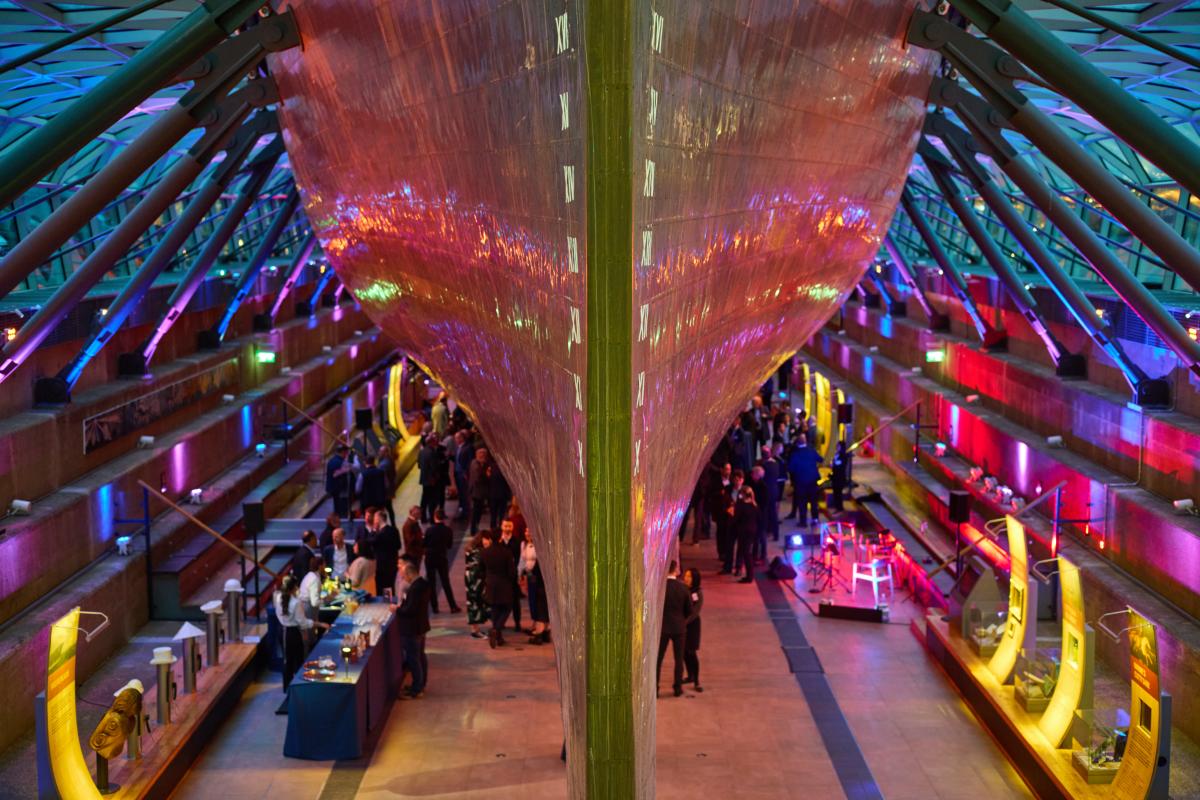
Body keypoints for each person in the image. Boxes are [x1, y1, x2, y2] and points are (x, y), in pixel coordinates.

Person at [392, 559, 430, 698]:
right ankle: (421, 683)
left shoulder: (415, 588)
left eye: (404, 575)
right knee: (420, 656)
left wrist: (397, 609)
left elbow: (410, 610)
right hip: (421, 626)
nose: (403, 578)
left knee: (413, 658)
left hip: (412, 628)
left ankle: (416, 689)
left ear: (409, 574)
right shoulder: (424, 584)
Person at [657, 560, 692, 697]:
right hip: (679, 628)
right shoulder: (683, 588)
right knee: (679, 659)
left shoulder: (660, 587)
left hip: (663, 627)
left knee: (658, 659)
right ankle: (677, 688)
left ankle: (655, 688)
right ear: (675, 570)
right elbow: (689, 609)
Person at [274, 575, 312, 694]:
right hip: (292, 633)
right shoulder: (295, 602)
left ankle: (288, 688)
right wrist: (317, 623)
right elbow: (302, 622)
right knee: (296, 659)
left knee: (288, 660)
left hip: (282, 630)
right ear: (294, 588)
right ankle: (298, 686)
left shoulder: (278, 597)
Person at [481, 528, 516, 648]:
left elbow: (481, 569)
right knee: (507, 608)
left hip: (490, 584)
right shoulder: (506, 552)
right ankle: (496, 629)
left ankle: (498, 637)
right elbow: (511, 572)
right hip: (504, 584)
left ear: (490, 539)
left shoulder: (485, 552)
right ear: (500, 537)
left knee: (495, 608)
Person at [423, 508, 460, 613]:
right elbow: (449, 545)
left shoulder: (429, 530)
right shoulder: (448, 530)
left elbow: (424, 544)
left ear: (435, 517)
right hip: (442, 557)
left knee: (431, 582)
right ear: (444, 518)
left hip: (430, 558)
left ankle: (435, 607)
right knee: (445, 581)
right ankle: (452, 606)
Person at [787, 434, 823, 528]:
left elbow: (790, 468)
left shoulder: (795, 454)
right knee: (813, 501)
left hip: (800, 482)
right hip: (812, 480)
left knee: (802, 502)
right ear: (805, 442)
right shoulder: (811, 451)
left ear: (797, 443)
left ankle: (803, 522)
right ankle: (815, 519)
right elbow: (820, 459)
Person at [520, 530, 550, 644]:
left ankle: (539, 633)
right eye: (526, 531)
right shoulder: (527, 545)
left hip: (538, 583)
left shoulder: (540, 553)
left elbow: (536, 570)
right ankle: (545, 632)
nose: (527, 534)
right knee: (542, 607)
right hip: (540, 583)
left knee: (540, 608)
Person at [709, 462, 735, 574]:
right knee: (720, 532)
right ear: (721, 470)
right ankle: (721, 552)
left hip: (729, 513)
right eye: (726, 469)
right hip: (719, 511)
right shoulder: (716, 482)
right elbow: (710, 495)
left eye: (729, 469)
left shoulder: (732, 482)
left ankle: (727, 553)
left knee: (728, 533)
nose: (728, 471)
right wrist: (720, 493)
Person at [499, 518, 524, 633]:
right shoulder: (498, 541)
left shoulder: (517, 542)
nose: (507, 528)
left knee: (515, 602)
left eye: (509, 526)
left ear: (512, 528)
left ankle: (517, 623)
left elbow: (519, 558)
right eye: (505, 526)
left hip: (512, 577)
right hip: (501, 577)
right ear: (501, 527)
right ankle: (501, 622)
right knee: (501, 601)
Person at [464, 532, 490, 638]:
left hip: (470, 577)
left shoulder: (470, 549)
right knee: (475, 602)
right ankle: (475, 630)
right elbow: (481, 566)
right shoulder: (479, 552)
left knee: (472, 602)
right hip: (475, 579)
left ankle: (475, 628)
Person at [372, 509, 402, 601]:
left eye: (375, 519)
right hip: (393, 564)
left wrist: (373, 531)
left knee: (381, 587)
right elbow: (399, 546)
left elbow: (372, 544)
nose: (374, 521)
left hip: (382, 566)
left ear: (379, 519)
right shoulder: (394, 530)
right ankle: (390, 602)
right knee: (390, 586)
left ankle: (384, 605)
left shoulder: (379, 535)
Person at [682, 568, 704, 692]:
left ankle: (696, 681)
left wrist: (684, 622)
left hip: (692, 626)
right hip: (682, 624)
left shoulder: (697, 593)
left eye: (689, 576)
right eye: (686, 575)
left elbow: (695, 612)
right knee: (684, 652)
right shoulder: (683, 589)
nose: (686, 578)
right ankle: (690, 675)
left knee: (691, 652)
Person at [733, 486, 759, 583]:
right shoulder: (754, 505)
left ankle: (749, 576)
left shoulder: (741, 505)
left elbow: (736, 518)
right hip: (752, 531)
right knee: (748, 552)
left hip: (743, 531)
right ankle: (749, 575)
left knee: (746, 553)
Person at [299, 554, 328, 642]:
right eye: (324, 565)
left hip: (306, 606)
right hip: (308, 609)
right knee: (309, 637)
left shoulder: (310, 575)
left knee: (309, 635)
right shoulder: (314, 579)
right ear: (320, 566)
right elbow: (314, 602)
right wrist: (326, 600)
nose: (325, 567)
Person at [418, 435, 445, 523]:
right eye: (434, 441)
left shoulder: (421, 452)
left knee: (424, 499)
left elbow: (419, 465)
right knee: (432, 500)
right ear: (431, 442)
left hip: (424, 479)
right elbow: (434, 467)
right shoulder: (432, 452)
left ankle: (423, 517)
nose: (436, 442)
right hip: (432, 480)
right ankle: (432, 519)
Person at [759, 444, 782, 542]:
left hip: (765, 492)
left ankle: (765, 532)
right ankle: (775, 534)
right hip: (774, 490)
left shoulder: (763, 466)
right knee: (773, 513)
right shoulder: (776, 464)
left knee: (765, 513)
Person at [325, 444, 354, 517]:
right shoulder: (340, 462)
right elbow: (335, 474)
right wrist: (346, 470)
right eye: (346, 453)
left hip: (334, 489)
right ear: (343, 452)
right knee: (341, 509)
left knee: (337, 507)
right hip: (340, 489)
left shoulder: (332, 460)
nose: (346, 455)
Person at [468, 447, 490, 533]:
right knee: (476, 511)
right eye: (481, 455)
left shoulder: (482, 464)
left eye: (484, 455)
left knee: (479, 510)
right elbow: (477, 478)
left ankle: (475, 526)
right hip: (477, 492)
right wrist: (487, 476)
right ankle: (473, 529)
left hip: (480, 492)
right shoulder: (475, 464)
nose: (483, 456)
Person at [453, 431, 474, 521]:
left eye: (457, 438)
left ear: (462, 438)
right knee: (461, 493)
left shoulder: (468, 447)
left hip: (463, 474)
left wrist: (467, 473)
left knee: (464, 493)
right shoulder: (458, 447)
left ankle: (465, 513)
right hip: (458, 473)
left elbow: (470, 461)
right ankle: (462, 510)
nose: (456, 440)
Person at [401, 505, 425, 572]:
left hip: (416, 553)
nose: (421, 515)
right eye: (420, 513)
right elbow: (410, 540)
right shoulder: (409, 525)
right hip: (413, 554)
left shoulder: (413, 523)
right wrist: (421, 537)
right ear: (415, 514)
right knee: (414, 573)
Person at [830, 440, 849, 512]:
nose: (837, 447)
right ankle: (837, 507)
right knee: (835, 493)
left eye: (838, 446)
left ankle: (840, 508)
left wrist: (834, 464)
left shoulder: (843, 456)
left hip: (840, 477)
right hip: (835, 477)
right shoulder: (836, 454)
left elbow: (840, 465)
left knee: (838, 493)